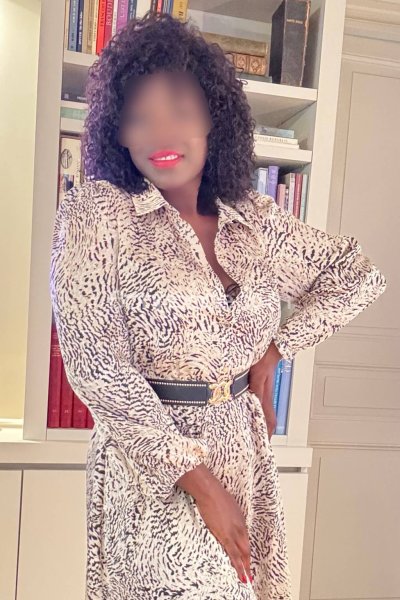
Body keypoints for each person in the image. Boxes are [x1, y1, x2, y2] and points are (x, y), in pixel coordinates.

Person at [49, 11, 387, 600]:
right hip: (152, 463)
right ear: (118, 133)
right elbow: (97, 366)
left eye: (181, 111)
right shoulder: (97, 214)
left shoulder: (252, 219)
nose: (161, 133)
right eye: (140, 117)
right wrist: (202, 484)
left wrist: (276, 350)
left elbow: (355, 276)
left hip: (240, 445)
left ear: (213, 117)